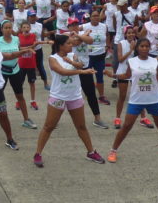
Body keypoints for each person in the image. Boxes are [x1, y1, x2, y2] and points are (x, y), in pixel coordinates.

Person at [104, 38, 158, 163]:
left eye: (147, 46)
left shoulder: (154, 61)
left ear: (150, 48)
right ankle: (113, 150)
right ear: (137, 48)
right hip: (136, 100)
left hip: (154, 99)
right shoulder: (131, 62)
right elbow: (126, 76)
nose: (144, 48)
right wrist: (113, 75)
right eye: (142, 46)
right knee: (126, 126)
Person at [33, 35, 105, 167]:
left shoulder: (72, 55)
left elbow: (80, 64)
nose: (71, 46)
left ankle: (90, 152)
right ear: (60, 46)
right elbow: (62, 72)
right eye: (69, 44)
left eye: (72, 43)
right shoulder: (52, 59)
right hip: (58, 97)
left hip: (74, 96)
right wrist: (82, 72)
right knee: (49, 127)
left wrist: (73, 63)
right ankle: (38, 153)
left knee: (81, 127)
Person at [0, 20, 36, 130]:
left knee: (20, 95)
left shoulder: (16, 39)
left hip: (15, 70)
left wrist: (28, 49)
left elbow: (18, 50)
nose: (8, 30)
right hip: (2, 72)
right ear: (1, 29)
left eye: (10, 27)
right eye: (6, 28)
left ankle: (26, 119)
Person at [113, 26, 150, 129]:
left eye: (132, 33)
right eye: (128, 33)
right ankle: (117, 118)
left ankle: (143, 118)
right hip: (123, 71)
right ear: (125, 34)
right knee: (122, 96)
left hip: (135, 72)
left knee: (139, 95)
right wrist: (130, 50)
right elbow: (120, 59)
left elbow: (141, 57)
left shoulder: (138, 43)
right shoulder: (121, 44)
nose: (131, 35)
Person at [82, 10, 109, 104]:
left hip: (100, 55)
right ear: (90, 17)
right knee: (87, 77)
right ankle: (89, 94)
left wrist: (107, 45)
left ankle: (101, 96)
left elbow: (108, 35)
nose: (96, 17)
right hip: (89, 55)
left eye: (97, 16)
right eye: (94, 16)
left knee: (100, 76)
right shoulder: (85, 26)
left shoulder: (104, 26)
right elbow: (76, 33)